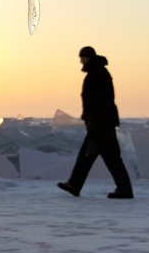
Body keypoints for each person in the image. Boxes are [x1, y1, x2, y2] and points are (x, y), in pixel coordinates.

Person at [58, 46, 133, 199]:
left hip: (100, 124)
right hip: (102, 123)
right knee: (106, 157)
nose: (80, 61)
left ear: (88, 57)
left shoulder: (96, 74)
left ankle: (75, 184)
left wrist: (92, 121)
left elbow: (98, 102)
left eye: (82, 57)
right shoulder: (98, 72)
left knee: (89, 156)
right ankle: (76, 185)